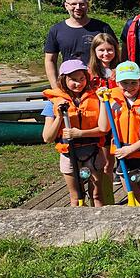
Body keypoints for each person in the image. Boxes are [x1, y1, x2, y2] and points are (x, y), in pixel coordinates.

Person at [97, 61, 140, 205]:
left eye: (134, 82)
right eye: (124, 83)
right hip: (124, 158)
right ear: (117, 82)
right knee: (134, 198)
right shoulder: (111, 101)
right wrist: (103, 102)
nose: (129, 87)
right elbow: (103, 128)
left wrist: (131, 149)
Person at [41, 60, 106, 206]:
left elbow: (103, 129)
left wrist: (79, 134)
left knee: (96, 194)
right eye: (73, 80)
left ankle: (101, 226)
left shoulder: (96, 98)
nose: (78, 83)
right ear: (64, 79)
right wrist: (59, 116)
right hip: (69, 155)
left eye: (82, 79)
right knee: (76, 197)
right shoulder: (53, 102)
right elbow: (47, 137)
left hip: (93, 152)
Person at [44, 0, 115, 89]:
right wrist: (56, 88)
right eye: (73, 4)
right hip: (72, 85)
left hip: (98, 84)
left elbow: (115, 55)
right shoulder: (57, 30)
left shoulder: (102, 28)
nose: (78, 7)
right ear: (66, 6)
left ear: (87, 5)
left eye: (81, 4)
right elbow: (50, 60)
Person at [87, 33, 121, 182]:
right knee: (106, 162)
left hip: (120, 120)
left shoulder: (121, 69)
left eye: (110, 49)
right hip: (101, 121)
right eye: (101, 50)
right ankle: (107, 194)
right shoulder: (89, 73)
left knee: (119, 158)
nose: (106, 54)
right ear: (94, 51)